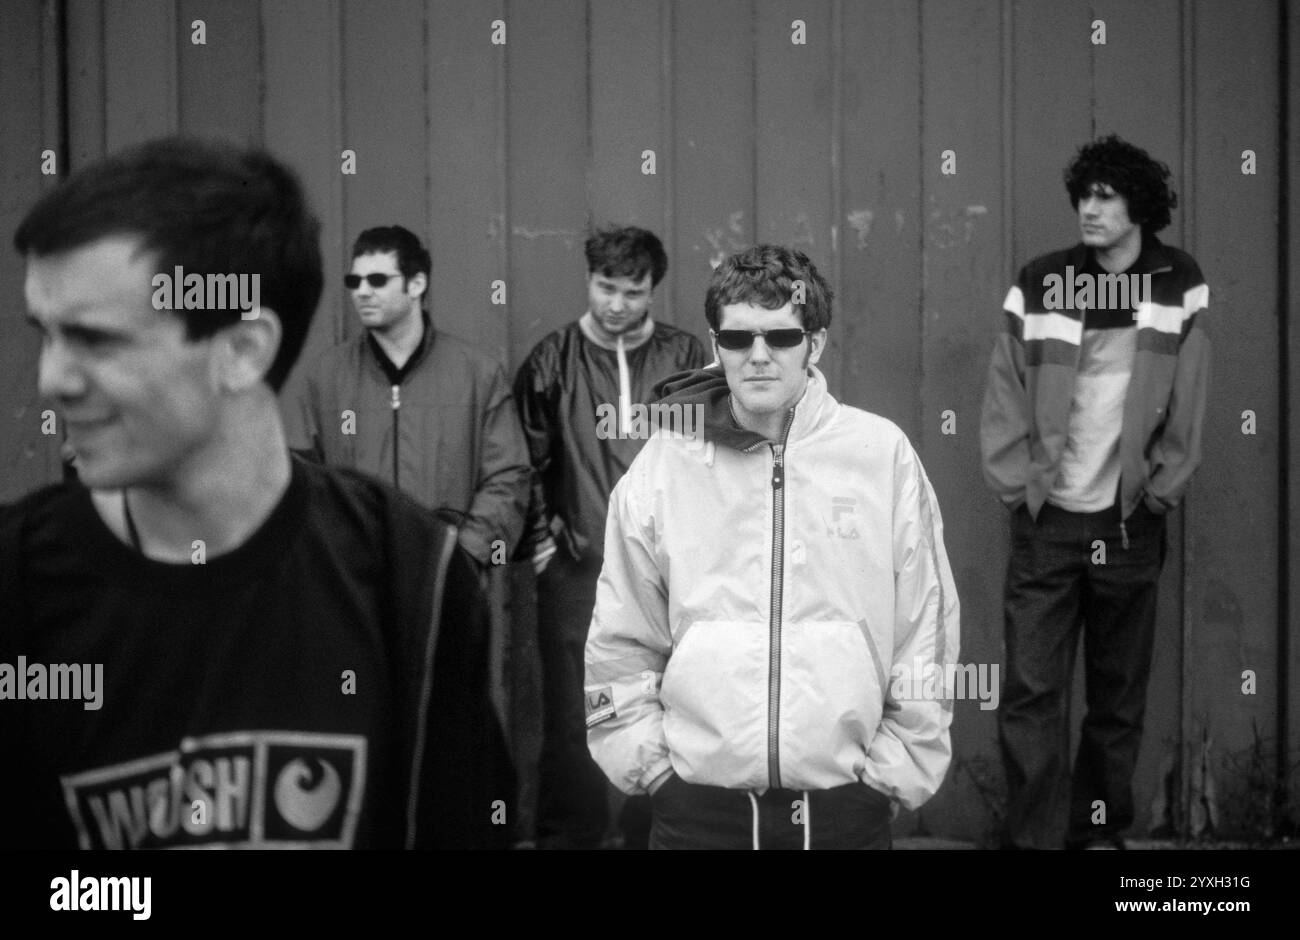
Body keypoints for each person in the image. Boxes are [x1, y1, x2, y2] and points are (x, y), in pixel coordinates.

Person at [0, 137, 511, 849]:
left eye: (96, 340)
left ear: (242, 349)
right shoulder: (18, 587)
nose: (53, 379)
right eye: (46, 336)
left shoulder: (408, 579)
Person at [584, 244, 960, 850]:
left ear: (815, 343)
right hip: (696, 812)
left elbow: (927, 631)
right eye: (738, 339)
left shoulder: (881, 457)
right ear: (715, 344)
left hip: (846, 808)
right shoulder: (666, 462)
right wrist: (650, 768)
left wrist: (890, 776)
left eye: (781, 337)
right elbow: (620, 632)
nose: (758, 356)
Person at [980, 135, 1210, 849]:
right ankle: (1035, 840)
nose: (1090, 208)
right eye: (1084, 195)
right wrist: (1017, 489)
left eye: (1106, 196)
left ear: (1139, 205)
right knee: (1029, 693)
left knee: (1116, 698)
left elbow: (1193, 395)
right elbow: (1003, 390)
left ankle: (1096, 830)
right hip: (1048, 522)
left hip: (1129, 522)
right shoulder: (1044, 280)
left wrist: (1163, 494)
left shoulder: (1178, 281)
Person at [513, 226, 707, 849]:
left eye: (633, 291)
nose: (617, 304)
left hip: (671, 569)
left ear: (653, 289)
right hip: (577, 568)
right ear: (588, 280)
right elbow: (523, 462)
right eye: (605, 288)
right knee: (575, 714)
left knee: (676, 700)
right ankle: (570, 835)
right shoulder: (550, 359)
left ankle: (655, 829)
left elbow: (711, 456)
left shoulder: (684, 356)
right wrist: (544, 544)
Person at [288, 225, 531, 569]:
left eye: (377, 280)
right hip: (355, 585)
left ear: (416, 284)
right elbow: (301, 478)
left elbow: (508, 477)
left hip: (445, 584)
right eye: (355, 282)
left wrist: (461, 558)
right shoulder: (326, 377)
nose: (362, 292)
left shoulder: (477, 375)